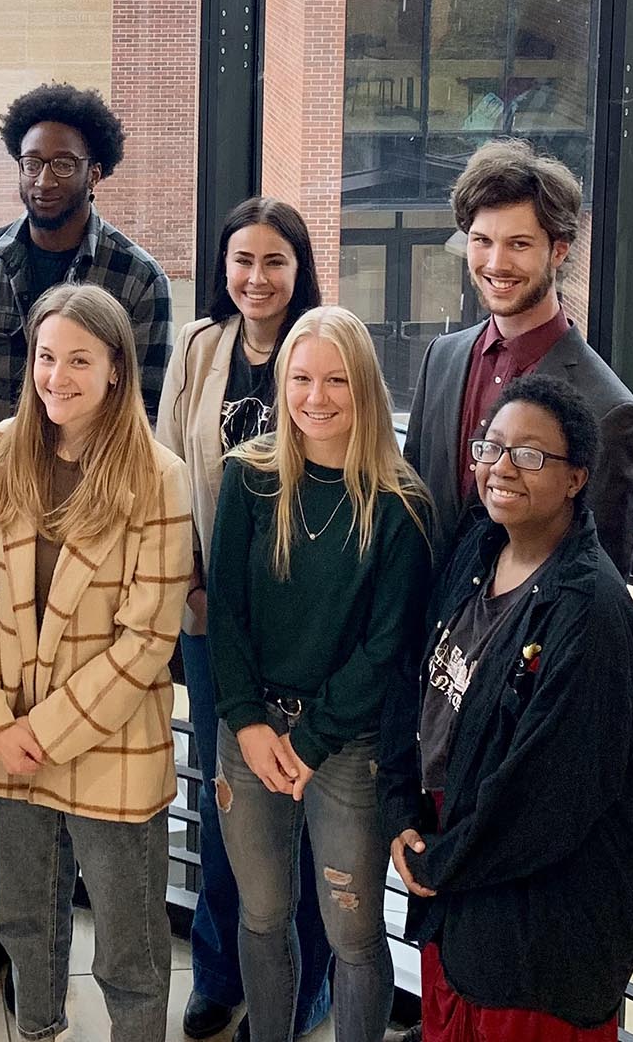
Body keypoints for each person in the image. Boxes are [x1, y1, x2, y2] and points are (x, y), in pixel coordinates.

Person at [0, 80, 174, 997]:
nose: (42, 177)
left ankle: (78, 921)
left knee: (87, 739)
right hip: (0, 533)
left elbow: (138, 420)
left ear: (96, 169)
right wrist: (9, 472)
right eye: (30, 161)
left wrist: (78, 498)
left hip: (109, 543)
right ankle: (10, 918)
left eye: (62, 162)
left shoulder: (138, 279)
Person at [380, 374, 633, 1042]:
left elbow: (545, 800)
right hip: (458, 884)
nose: (502, 467)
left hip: (537, 932)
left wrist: (436, 864)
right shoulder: (478, 549)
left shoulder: (590, 617)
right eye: (492, 446)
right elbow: (416, 683)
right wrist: (401, 814)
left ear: (577, 479)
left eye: (530, 455)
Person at [0, 283, 193, 1040]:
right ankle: (39, 1028)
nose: (57, 376)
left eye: (79, 360)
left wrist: (42, 733)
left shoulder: (160, 477)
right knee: (23, 918)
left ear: (117, 369)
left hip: (109, 743)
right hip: (6, 735)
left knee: (130, 946)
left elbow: (147, 640)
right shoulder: (1, 450)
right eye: (46, 357)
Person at [207, 307, 434, 1042]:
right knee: (263, 916)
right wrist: (246, 720)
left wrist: (311, 743)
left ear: (365, 386)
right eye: (301, 378)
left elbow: (386, 647)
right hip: (250, 733)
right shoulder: (247, 479)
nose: (317, 397)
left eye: (337, 379)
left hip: (349, 745)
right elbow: (227, 610)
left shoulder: (401, 504)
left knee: (354, 934)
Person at [155, 197, 333, 1041]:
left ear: (300, 271)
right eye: (242, 262)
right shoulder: (199, 347)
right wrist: (186, 586)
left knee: (301, 799)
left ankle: (305, 979)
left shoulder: (327, 350)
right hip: (210, 617)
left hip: (305, 624)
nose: (256, 279)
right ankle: (220, 972)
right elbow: (165, 466)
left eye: (275, 263)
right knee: (224, 797)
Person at [403, 138, 633, 571]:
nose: (496, 263)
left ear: (558, 250)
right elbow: (414, 513)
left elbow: (599, 581)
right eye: (482, 240)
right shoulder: (441, 358)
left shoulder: (610, 411)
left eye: (518, 244)